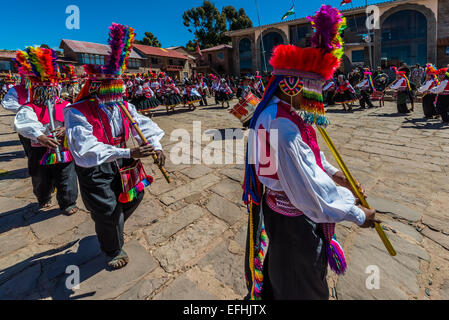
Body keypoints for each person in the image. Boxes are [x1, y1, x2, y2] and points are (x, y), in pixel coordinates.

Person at [242, 5, 377, 301]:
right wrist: (356, 213)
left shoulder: (285, 114)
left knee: (288, 275)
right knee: (301, 286)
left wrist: (336, 175)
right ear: (290, 85)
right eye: (312, 88)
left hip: (286, 212)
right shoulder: (282, 126)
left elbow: (312, 160)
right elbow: (309, 191)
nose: (317, 95)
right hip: (294, 221)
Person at [64, 23, 166, 269]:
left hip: (122, 161)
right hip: (96, 166)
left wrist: (156, 145)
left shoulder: (123, 105)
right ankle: (112, 248)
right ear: (97, 87)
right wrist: (128, 151)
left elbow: (143, 124)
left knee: (135, 194)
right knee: (107, 209)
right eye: (111, 88)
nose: (117, 94)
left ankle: (111, 225)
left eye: (119, 88)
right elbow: (85, 148)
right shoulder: (75, 111)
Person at [14, 47, 79, 214]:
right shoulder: (29, 108)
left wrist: (65, 128)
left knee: (67, 175)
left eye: (51, 89)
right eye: (44, 90)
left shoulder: (66, 105)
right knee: (41, 178)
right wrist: (40, 136)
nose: (48, 93)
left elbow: (76, 121)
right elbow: (24, 123)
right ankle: (43, 198)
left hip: (62, 147)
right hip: (39, 148)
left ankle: (68, 202)